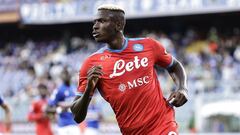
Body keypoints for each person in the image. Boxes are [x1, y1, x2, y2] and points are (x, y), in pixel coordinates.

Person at [71, 4, 188, 135]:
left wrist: (182, 88)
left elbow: (174, 66)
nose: (95, 26)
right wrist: (88, 90)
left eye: (102, 21)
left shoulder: (148, 46)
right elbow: (77, 116)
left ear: (119, 25)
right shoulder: (91, 63)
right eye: (95, 22)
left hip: (163, 124)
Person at [47, 69, 81, 135]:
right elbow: (48, 108)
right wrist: (58, 109)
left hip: (74, 124)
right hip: (63, 125)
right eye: (64, 74)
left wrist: (69, 105)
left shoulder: (74, 88)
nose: (66, 76)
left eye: (67, 73)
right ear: (61, 76)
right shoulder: (58, 90)